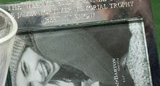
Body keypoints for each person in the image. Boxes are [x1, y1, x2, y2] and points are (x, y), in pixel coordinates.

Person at [11, 25, 140, 86]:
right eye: (31, 85)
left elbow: (119, 82)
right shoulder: (59, 62)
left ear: (24, 47)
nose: (38, 78)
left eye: (25, 68)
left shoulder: (45, 39)